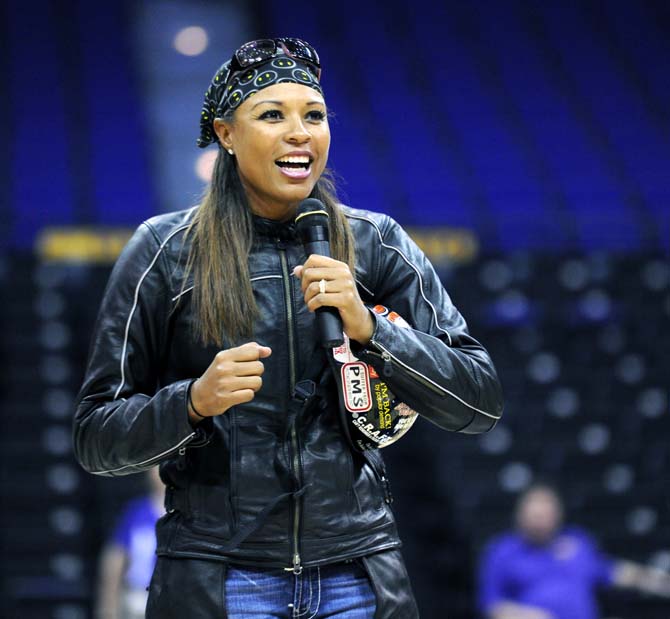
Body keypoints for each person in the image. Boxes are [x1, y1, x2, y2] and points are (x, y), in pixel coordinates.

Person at [73, 37, 504, 619]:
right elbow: (96, 437)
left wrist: (373, 329)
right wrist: (193, 403)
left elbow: (478, 401)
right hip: (219, 575)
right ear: (227, 134)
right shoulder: (164, 251)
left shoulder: (377, 244)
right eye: (272, 115)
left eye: (315, 116)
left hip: (357, 571)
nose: (300, 132)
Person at [478, 484, 670, 619]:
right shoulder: (502, 551)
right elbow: (491, 606)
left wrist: (658, 582)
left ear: (558, 515)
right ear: (520, 516)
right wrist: (526, 616)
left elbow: (612, 571)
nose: (539, 522)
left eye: (545, 515)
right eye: (534, 516)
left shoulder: (578, 542)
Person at [95, 468, 164, 619]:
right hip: (138, 599)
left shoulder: (191, 513)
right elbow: (115, 559)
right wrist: (108, 607)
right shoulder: (135, 512)